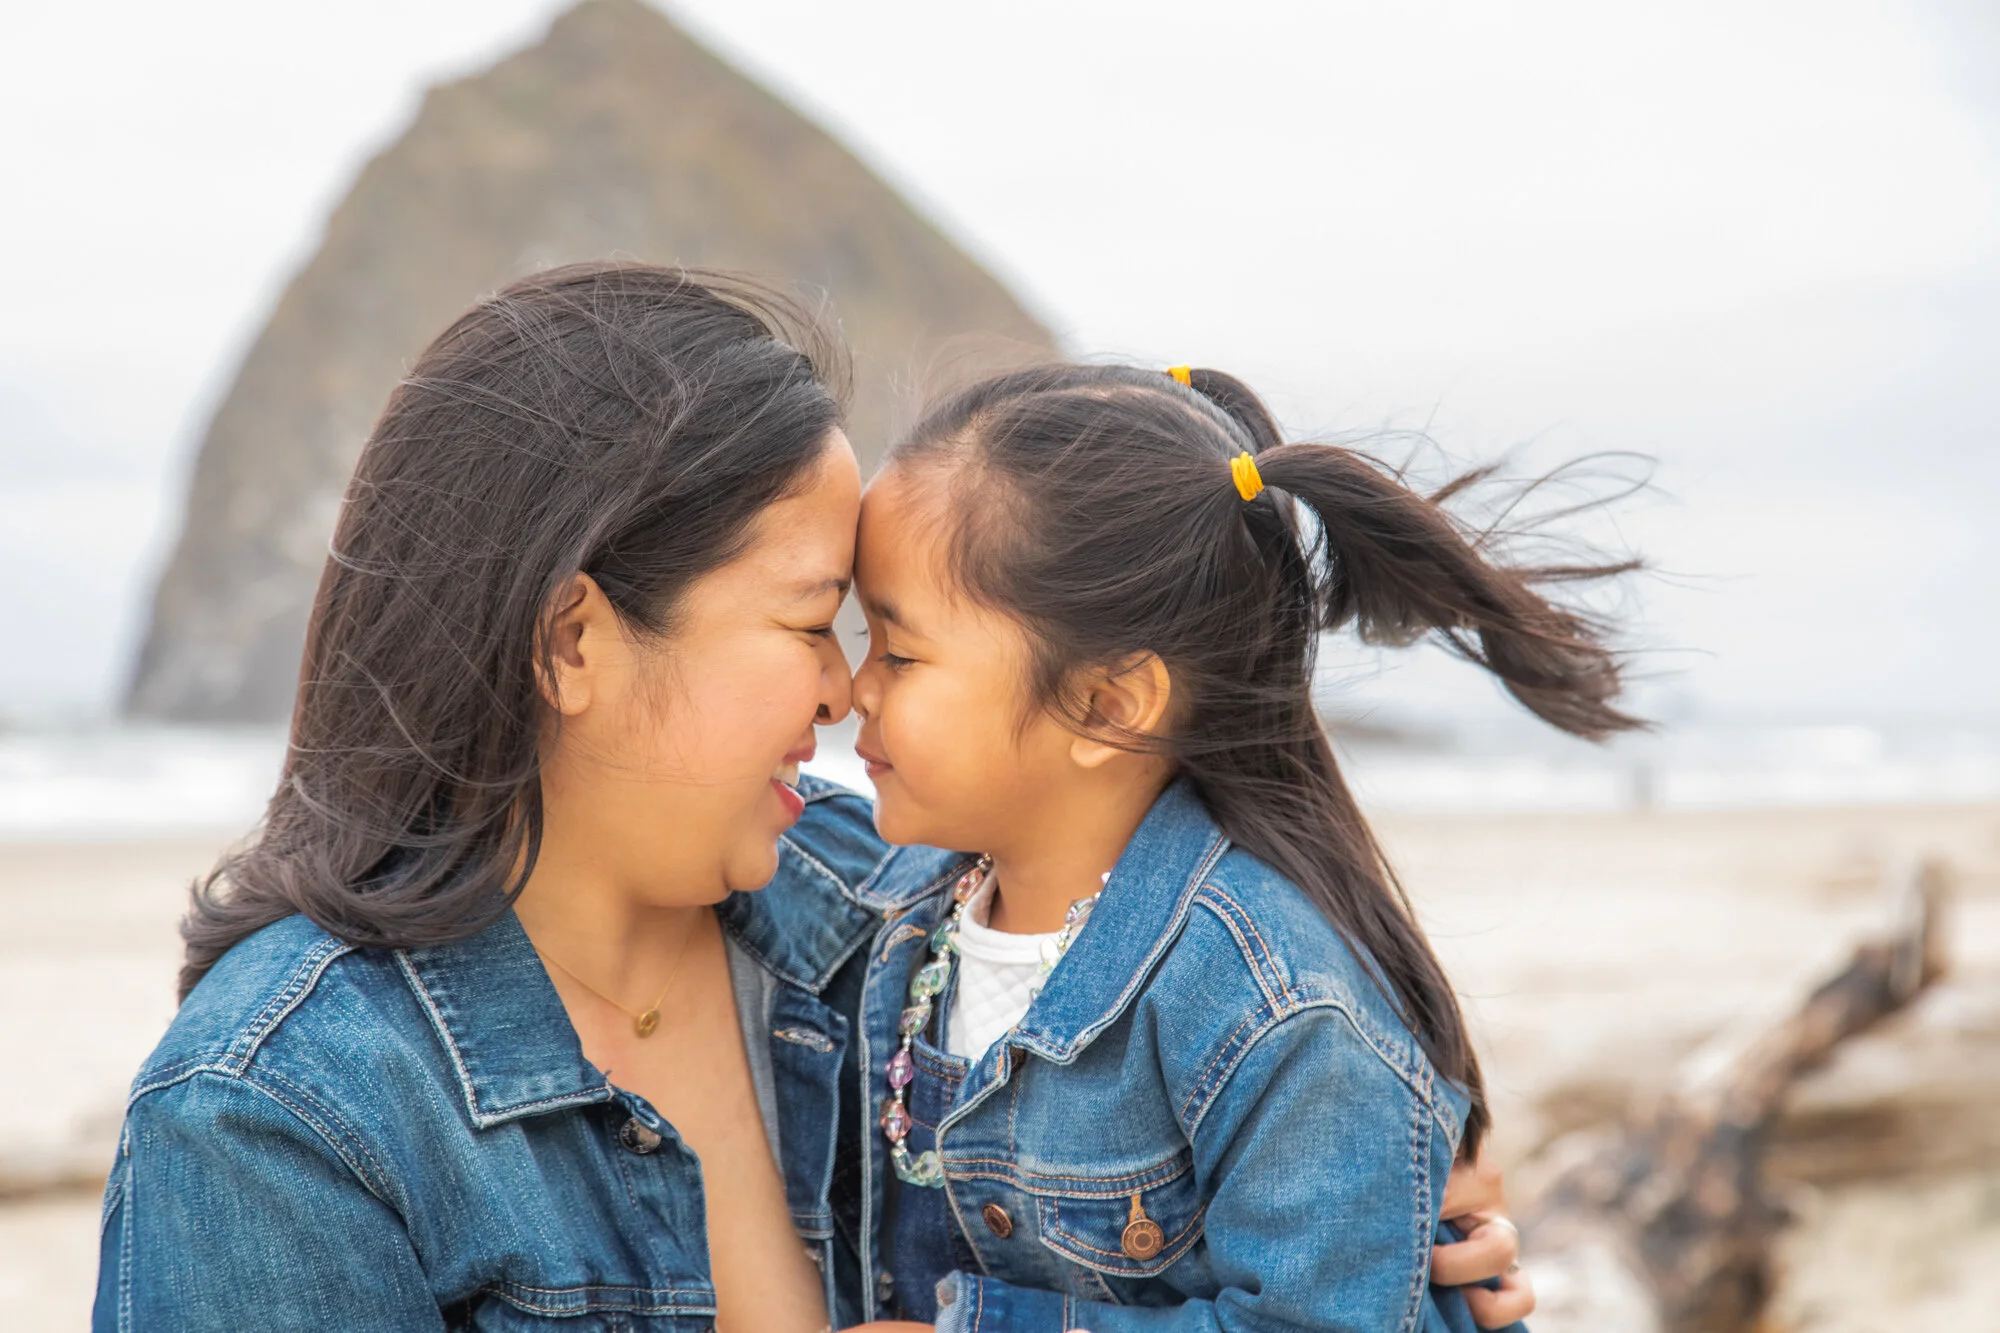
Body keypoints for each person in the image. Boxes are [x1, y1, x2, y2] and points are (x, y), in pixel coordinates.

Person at [92, 264, 1526, 1332]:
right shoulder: (277, 1117)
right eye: (812, 624)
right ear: (572, 641)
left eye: (886, 642)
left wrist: (1403, 1236)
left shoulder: (900, 932)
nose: (845, 695)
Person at [828, 362, 1629, 1330]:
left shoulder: (1273, 1002)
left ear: (1106, 705)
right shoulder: (888, 904)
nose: (851, 687)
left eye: (899, 652)